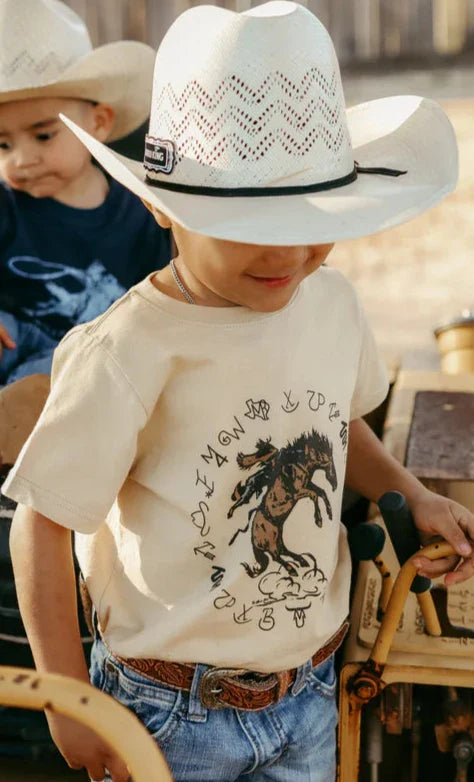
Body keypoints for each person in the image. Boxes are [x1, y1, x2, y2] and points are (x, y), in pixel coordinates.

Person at [4, 3, 473, 781]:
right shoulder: (127, 349)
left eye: (312, 215)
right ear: (163, 208)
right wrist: (67, 699)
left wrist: (412, 494)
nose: (288, 253)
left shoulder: (333, 304)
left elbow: (332, 425)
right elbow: (41, 526)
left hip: (309, 689)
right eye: (247, 222)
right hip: (167, 710)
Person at [0, 0, 171, 386]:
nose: (22, 160)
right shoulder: (5, 204)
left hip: (96, 361)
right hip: (15, 341)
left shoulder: (143, 210)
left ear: (98, 123)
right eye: (3, 146)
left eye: (43, 135)